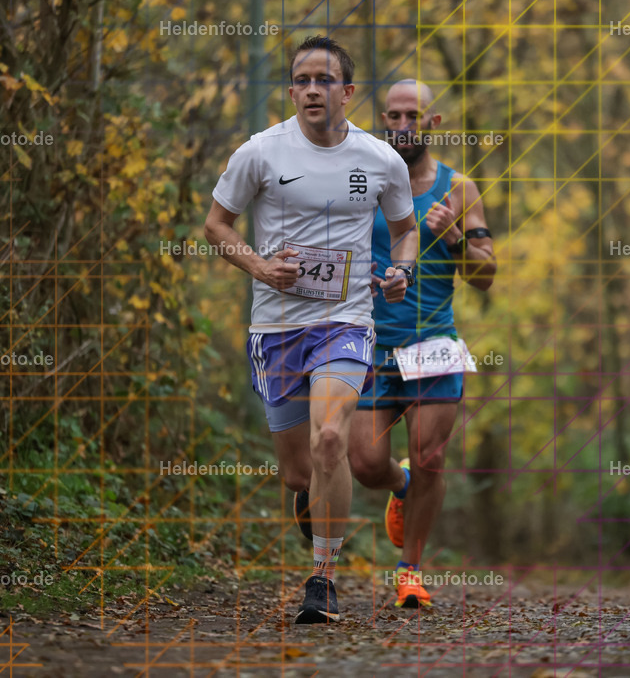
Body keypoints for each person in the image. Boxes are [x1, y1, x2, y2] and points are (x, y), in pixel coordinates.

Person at [203, 36, 418, 624]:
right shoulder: (261, 152)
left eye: (324, 80)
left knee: (332, 439)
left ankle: (321, 580)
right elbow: (217, 225)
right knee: (300, 471)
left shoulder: (380, 160)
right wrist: (259, 265)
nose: (311, 89)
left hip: (345, 321)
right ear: (292, 90)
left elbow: (405, 229)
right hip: (276, 329)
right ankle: (314, 502)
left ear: (347, 92)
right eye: (301, 80)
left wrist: (400, 270)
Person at [350, 79, 496, 608]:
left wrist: (455, 237)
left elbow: (487, 276)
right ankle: (401, 486)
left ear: (432, 123)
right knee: (366, 465)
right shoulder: (360, 182)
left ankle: (409, 571)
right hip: (370, 343)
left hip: (433, 342)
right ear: (383, 121)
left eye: (413, 116)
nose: (403, 126)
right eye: (393, 116)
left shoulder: (459, 188)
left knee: (430, 457)